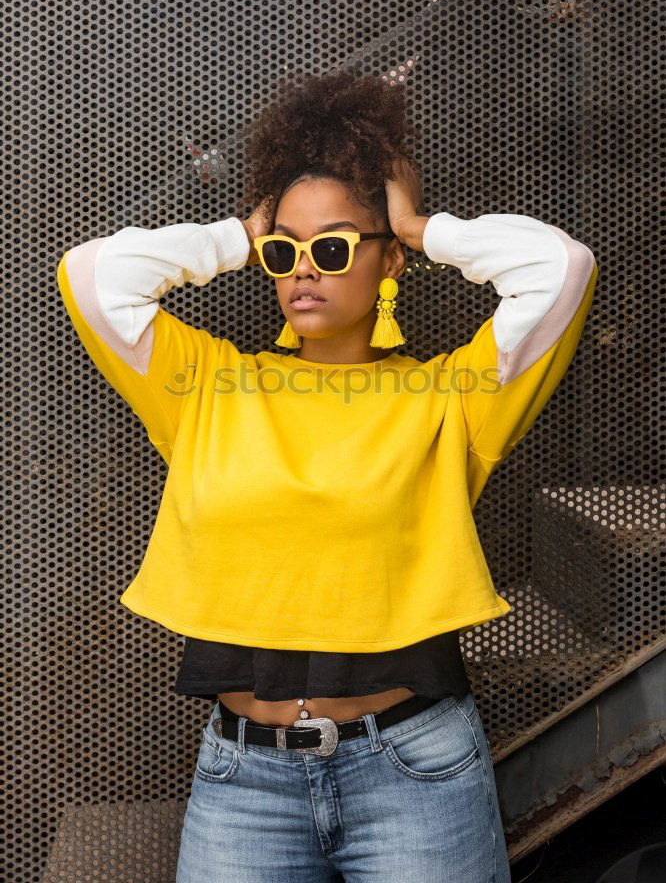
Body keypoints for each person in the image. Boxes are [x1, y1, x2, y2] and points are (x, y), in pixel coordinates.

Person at [56, 67, 598, 882]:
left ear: (387, 265)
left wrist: (417, 223)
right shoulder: (208, 386)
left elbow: (560, 268)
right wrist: (240, 233)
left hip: (417, 774)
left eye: (335, 245)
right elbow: (94, 275)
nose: (303, 267)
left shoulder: (450, 397)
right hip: (244, 784)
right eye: (285, 249)